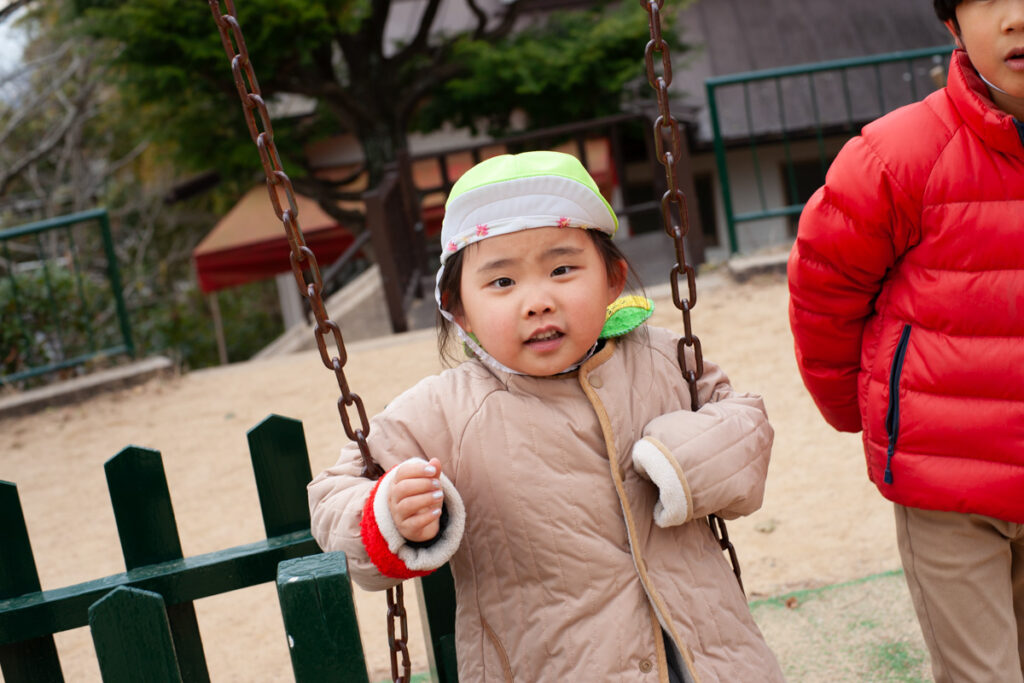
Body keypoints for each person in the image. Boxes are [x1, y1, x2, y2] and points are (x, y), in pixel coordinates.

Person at [309, 151, 782, 682]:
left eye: (562, 270)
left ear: (612, 280)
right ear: (459, 309)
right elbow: (332, 495)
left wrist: (679, 460)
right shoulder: (446, 410)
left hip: (708, 657)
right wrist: (387, 514)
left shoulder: (660, 358)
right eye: (502, 282)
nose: (537, 301)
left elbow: (745, 425)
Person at [788, 1, 1024, 681]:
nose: (1016, 17)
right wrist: (862, 412)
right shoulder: (897, 156)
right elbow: (824, 292)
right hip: (948, 483)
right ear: (952, 24)